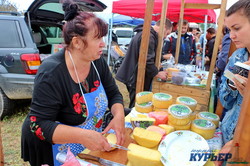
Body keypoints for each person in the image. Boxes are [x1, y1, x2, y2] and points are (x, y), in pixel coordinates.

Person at [21, 1, 125, 166]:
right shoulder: (51, 73)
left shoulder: (97, 62)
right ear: (77, 42)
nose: (103, 44)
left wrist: (119, 116)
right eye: (97, 38)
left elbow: (114, 94)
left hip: (84, 144)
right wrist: (83, 136)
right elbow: (38, 124)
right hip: (51, 147)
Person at [216, 1, 250, 165]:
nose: (231, 35)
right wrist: (231, 85)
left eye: (236, 28)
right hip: (226, 133)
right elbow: (225, 101)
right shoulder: (236, 57)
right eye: (229, 30)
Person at [115, 19, 172, 108]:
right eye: (167, 33)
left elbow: (147, 56)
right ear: (164, 28)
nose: (165, 36)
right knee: (137, 106)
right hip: (134, 76)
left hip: (134, 74)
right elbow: (146, 60)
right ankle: (130, 121)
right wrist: (157, 73)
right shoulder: (149, 36)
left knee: (138, 103)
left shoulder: (148, 34)